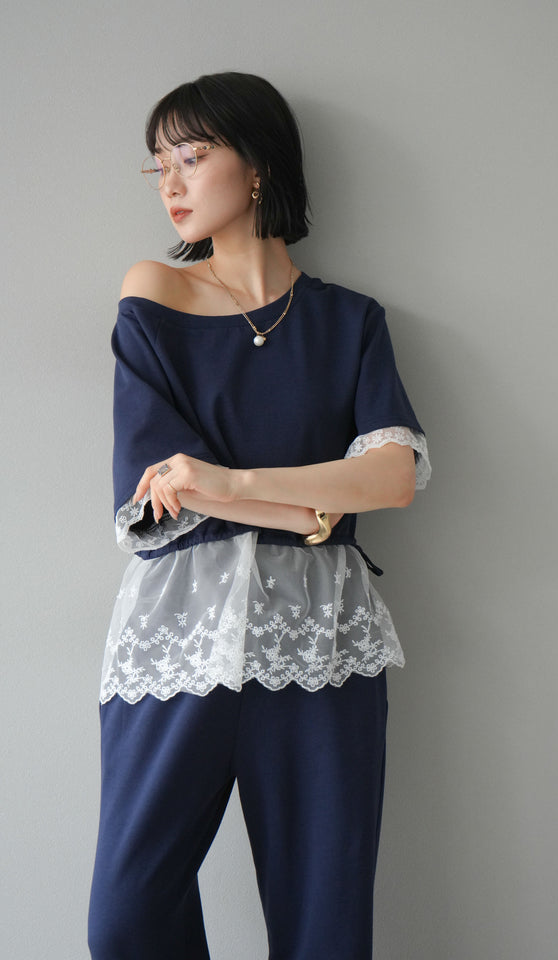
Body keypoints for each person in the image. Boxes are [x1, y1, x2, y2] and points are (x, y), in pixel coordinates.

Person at [88, 71, 430, 960]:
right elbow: (159, 499)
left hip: (321, 644)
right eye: (159, 164)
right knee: (126, 921)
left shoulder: (350, 322)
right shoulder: (154, 293)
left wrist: (231, 481)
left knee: (325, 929)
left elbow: (393, 478)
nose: (169, 183)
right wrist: (315, 506)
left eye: (191, 157)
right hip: (178, 640)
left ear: (258, 167)